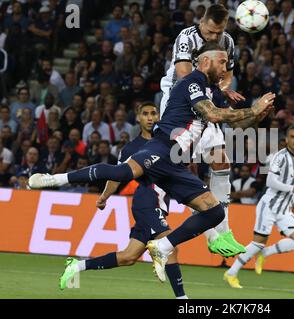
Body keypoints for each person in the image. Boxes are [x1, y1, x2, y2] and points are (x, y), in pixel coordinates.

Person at [29, 42, 275, 283]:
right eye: (222, 62)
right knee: (123, 172)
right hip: (164, 148)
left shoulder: (213, 92)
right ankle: (53, 179)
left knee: (213, 211)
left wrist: (258, 117)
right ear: (206, 61)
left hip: (177, 163)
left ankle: (163, 246)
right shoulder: (192, 81)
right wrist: (252, 110)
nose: (226, 67)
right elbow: (212, 114)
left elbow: (232, 122)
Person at [58, 102, 188, 299]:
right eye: (145, 114)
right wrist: (104, 197)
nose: (150, 117)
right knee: (171, 248)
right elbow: (116, 176)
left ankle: (78, 265)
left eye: (154, 113)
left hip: (159, 204)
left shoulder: (169, 142)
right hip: (147, 201)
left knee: (128, 257)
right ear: (138, 118)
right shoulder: (131, 148)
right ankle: (182, 300)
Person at [159, 4, 248, 256]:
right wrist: (218, 89)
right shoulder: (186, 37)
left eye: (217, 32)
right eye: (210, 32)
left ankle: (225, 231)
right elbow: (185, 75)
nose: (213, 37)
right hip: (180, 103)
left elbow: (227, 74)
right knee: (189, 170)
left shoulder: (227, 41)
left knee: (221, 162)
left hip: (207, 99)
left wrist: (223, 87)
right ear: (202, 22)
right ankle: (212, 237)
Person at [224, 126, 294, 289]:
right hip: (269, 205)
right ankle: (231, 273)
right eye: (293, 137)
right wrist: (292, 190)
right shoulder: (279, 157)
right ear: (287, 140)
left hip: (284, 209)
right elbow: (270, 182)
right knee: (258, 242)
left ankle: (265, 254)